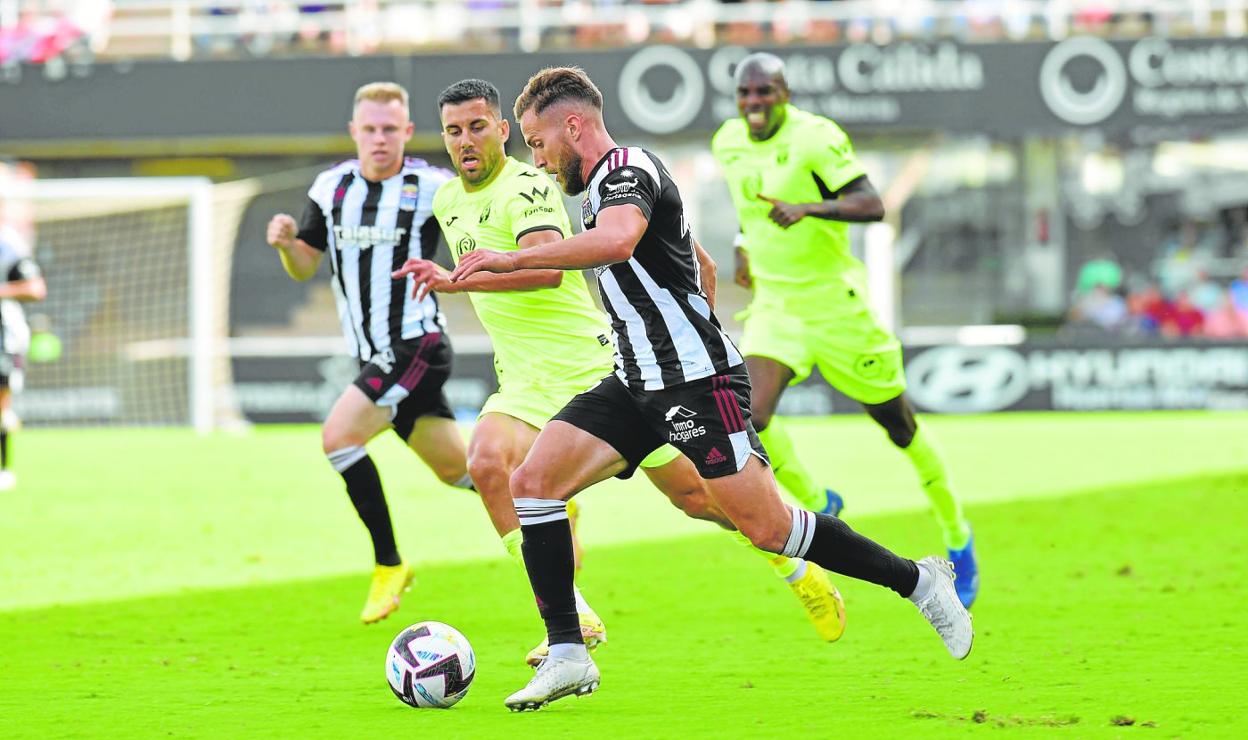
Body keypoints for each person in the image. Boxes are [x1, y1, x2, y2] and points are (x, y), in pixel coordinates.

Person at [450, 67, 973, 711]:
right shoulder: (603, 188)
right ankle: (568, 652)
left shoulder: (625, 170)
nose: (536, 157)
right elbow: (703, 264)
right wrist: (684, 311)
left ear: (574, 127)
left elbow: (617, 241)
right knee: (531, 483)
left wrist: (512, 257)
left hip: (697, 384)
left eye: (537, 142)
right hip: (635, 378)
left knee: (768, 527)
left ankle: (918, 581)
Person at [392, 79, 849, 663]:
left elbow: (548, 271)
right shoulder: (446, 201)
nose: (465, 141)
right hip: (524, 377)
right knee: (488, 465)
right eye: (453, 131)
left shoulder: (530, 183)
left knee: (696, 497)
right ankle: (572, 615)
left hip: (591, 362)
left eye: (478, 126)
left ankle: (794, 565)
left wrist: (460, 277)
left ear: (503, 131)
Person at [710, 53, 979, 607]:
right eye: (745, 94)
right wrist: (742, 245)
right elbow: (747, 204)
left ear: (784, 92)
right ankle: (818, 502)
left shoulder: (815, 138)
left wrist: (808, 208)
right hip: (777, 304)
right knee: (749, 413)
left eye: (765, 92)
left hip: (837, 307)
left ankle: (957, 535)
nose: (754, 103)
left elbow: (872, 204)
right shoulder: (727, 142)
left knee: (898, 427)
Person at [265, 82, 473, 625]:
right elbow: (306, 264)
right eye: (370, 129)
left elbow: (478, 238)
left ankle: (389, 564)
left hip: (417, 344)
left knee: (338, 438)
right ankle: (544, 496)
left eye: (390, 130)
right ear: (354, 132)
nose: (380, 139)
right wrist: (289, 244)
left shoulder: (435, 186)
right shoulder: (330, 187)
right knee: (458, 472)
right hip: (374, 355)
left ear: (406, 133)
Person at [0, 224, 47, 490]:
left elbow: (36, 288)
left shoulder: (7, 248)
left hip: (4, 341)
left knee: (1, 407)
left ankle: (4, 469)